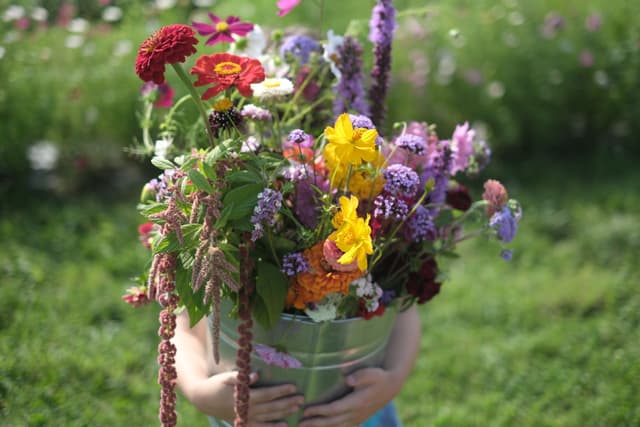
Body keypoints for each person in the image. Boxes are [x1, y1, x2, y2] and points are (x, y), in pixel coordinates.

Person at [173, 304, 421, 427]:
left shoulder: (383, 216)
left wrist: (393, 380)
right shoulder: (208, 218)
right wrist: (199, 392)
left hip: (358, 410)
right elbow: (182, 323)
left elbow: (403, 308)